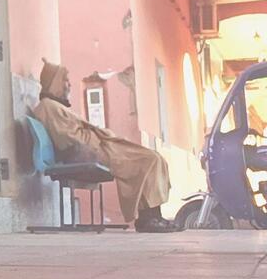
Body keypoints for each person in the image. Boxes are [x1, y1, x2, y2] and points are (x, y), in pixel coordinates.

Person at [31, 60, 177, 231]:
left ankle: (153, 217)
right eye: (65, 80)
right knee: (149, 159)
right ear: (55, 82)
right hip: (94, 151)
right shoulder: (48, 107)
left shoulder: (55, 106)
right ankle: (148, 219)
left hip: (101, 146)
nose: (69, 84)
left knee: (156, 158)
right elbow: (68, 139)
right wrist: (97, 135)